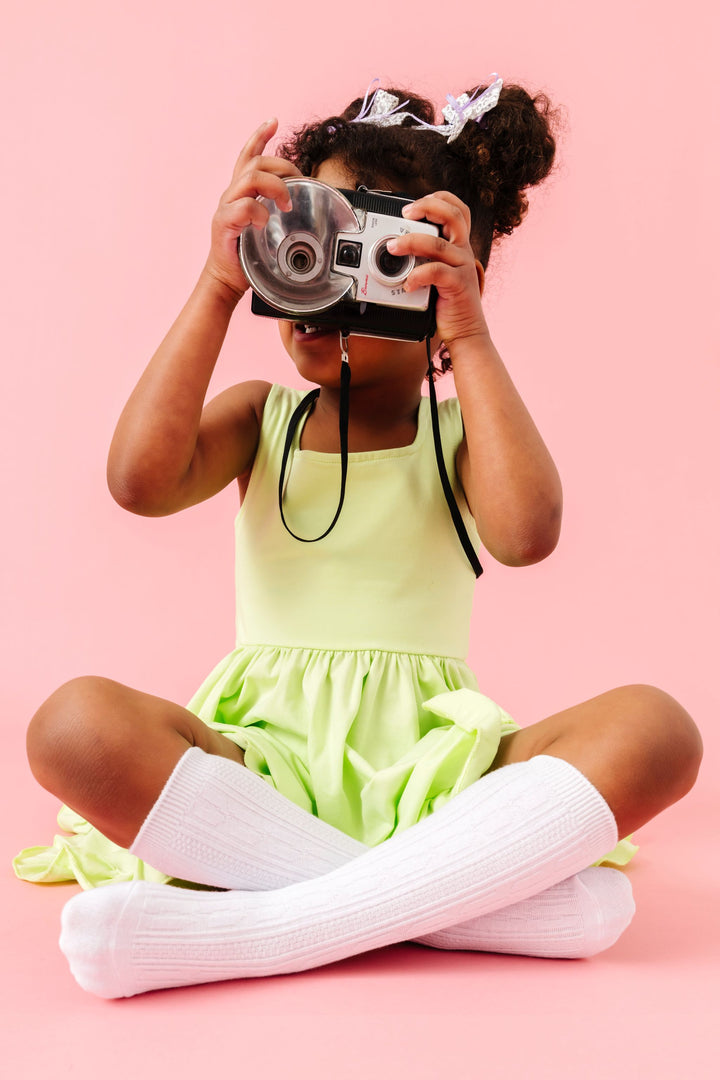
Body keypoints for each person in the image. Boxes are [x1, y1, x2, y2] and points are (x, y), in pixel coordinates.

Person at [16, 78, 703, 998]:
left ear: (430, 279)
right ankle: (449, 903)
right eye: (308, 241)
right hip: (260, 768)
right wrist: (220, 281)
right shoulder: (263, 418)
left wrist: (469, 329)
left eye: (365, 253)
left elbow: (527, 534)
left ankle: (266, 923)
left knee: (660, 731)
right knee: (74, 727)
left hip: (437, 775)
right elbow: (137, 483)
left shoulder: (460, 432)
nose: (323, 279)